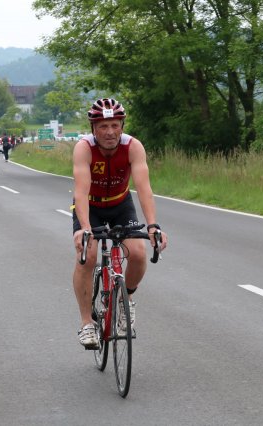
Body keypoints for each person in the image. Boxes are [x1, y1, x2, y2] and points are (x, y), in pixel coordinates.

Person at [72, 98, 168, 349]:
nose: (110, 132)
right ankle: (86, 324)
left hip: (120, 203)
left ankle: (127, 302)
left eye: (114, 125)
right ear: (93, 129)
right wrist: (84, 228)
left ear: (122, 126)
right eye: (103, 126)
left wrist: (153, 225)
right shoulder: (84, 148)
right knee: (88, 255)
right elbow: (81, 191)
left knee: (137, 252)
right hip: (90, 206)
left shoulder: (133, 147)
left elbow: (144, 189)